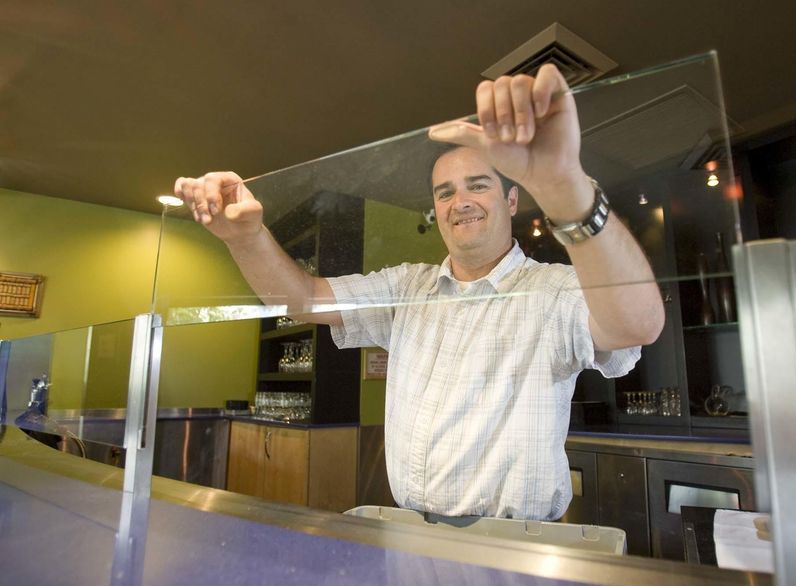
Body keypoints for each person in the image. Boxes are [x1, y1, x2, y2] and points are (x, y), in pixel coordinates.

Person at [176, 64, 664, 520]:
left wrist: (567, 188)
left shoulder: (551, 289)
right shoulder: (409, 286)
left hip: (514, 545)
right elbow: (303, 299)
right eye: (445, 192)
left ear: (512, 199)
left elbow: (636, 324)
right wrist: (245, 238)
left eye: (479, 185)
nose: (461, 202)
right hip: (410, 533)